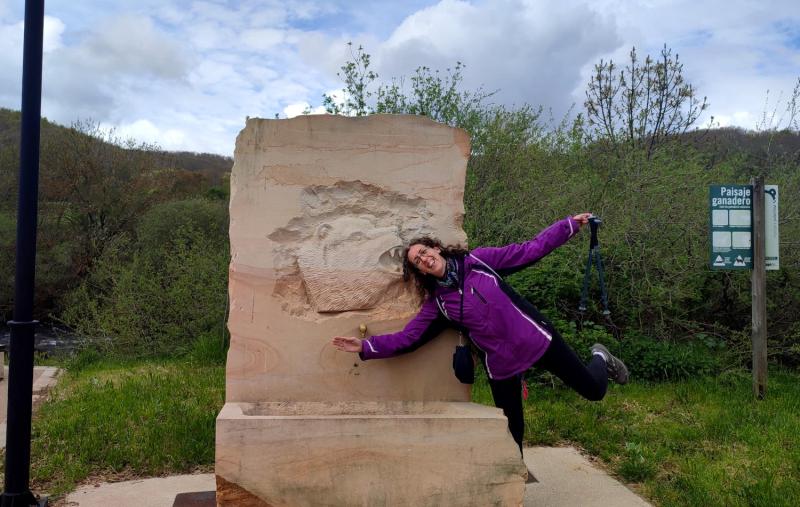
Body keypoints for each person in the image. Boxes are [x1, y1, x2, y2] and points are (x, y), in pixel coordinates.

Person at [332, 213, 628, 454]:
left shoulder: (481, 262)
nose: (423, 259)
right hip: (501, 365)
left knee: (593, 390)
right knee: (512, 433)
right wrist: (365, 346)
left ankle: (600, 355)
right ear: (420, 272)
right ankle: (513, 486)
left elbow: (531, 249)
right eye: (417, 262)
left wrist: (568, 227)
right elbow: (409, 338)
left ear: (435, 249)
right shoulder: (439, 305)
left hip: (535, 339)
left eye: (424, 252)